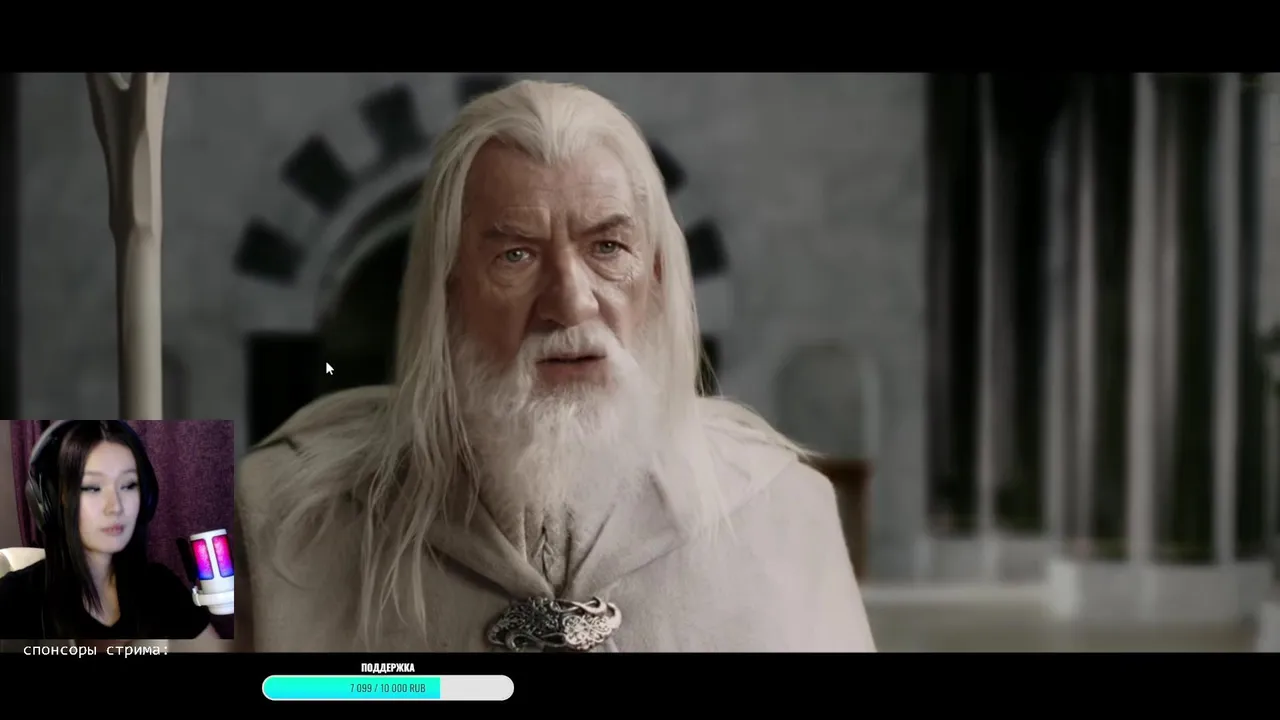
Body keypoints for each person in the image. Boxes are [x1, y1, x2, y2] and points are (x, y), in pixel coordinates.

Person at [236, 80, 877, 652]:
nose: (571, 302)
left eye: (608, 247)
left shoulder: (782, 512)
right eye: (515, 255)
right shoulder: (276, 511)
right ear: (449, 291)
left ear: (656, 278)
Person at [0, 421, 221, 644]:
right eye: (92, 488)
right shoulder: (15, 597)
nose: (115, 507)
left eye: (129, 485)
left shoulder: (161, 586)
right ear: (54, 500)